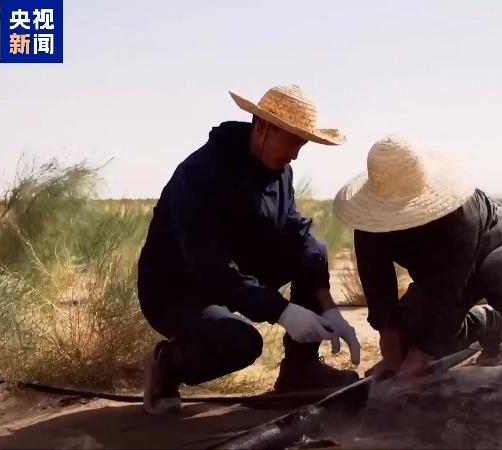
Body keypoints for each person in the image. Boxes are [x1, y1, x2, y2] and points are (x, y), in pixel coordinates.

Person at [137, 85, 363, 415]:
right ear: (264, 127)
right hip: (177, 289)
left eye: (302, 144)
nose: (296, 154)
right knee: (240, 344)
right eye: (292, 141)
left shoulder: (281, 171)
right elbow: (210, 266)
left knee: (313, 246)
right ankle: (167, 365)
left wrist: (328, 307)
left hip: (235, 273)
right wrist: (283, 312)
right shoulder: (201, 174)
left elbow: (299, 236)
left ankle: (301, 371)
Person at [332, 135, 502, 385]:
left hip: (498, 249)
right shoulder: (370, 221)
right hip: (442, 276)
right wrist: (393, 358)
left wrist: (419, 360)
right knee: (409, 335)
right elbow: (378, 286)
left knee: (499, 271)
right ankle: (490, 325)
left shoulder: (459, 214)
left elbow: (449, 292)